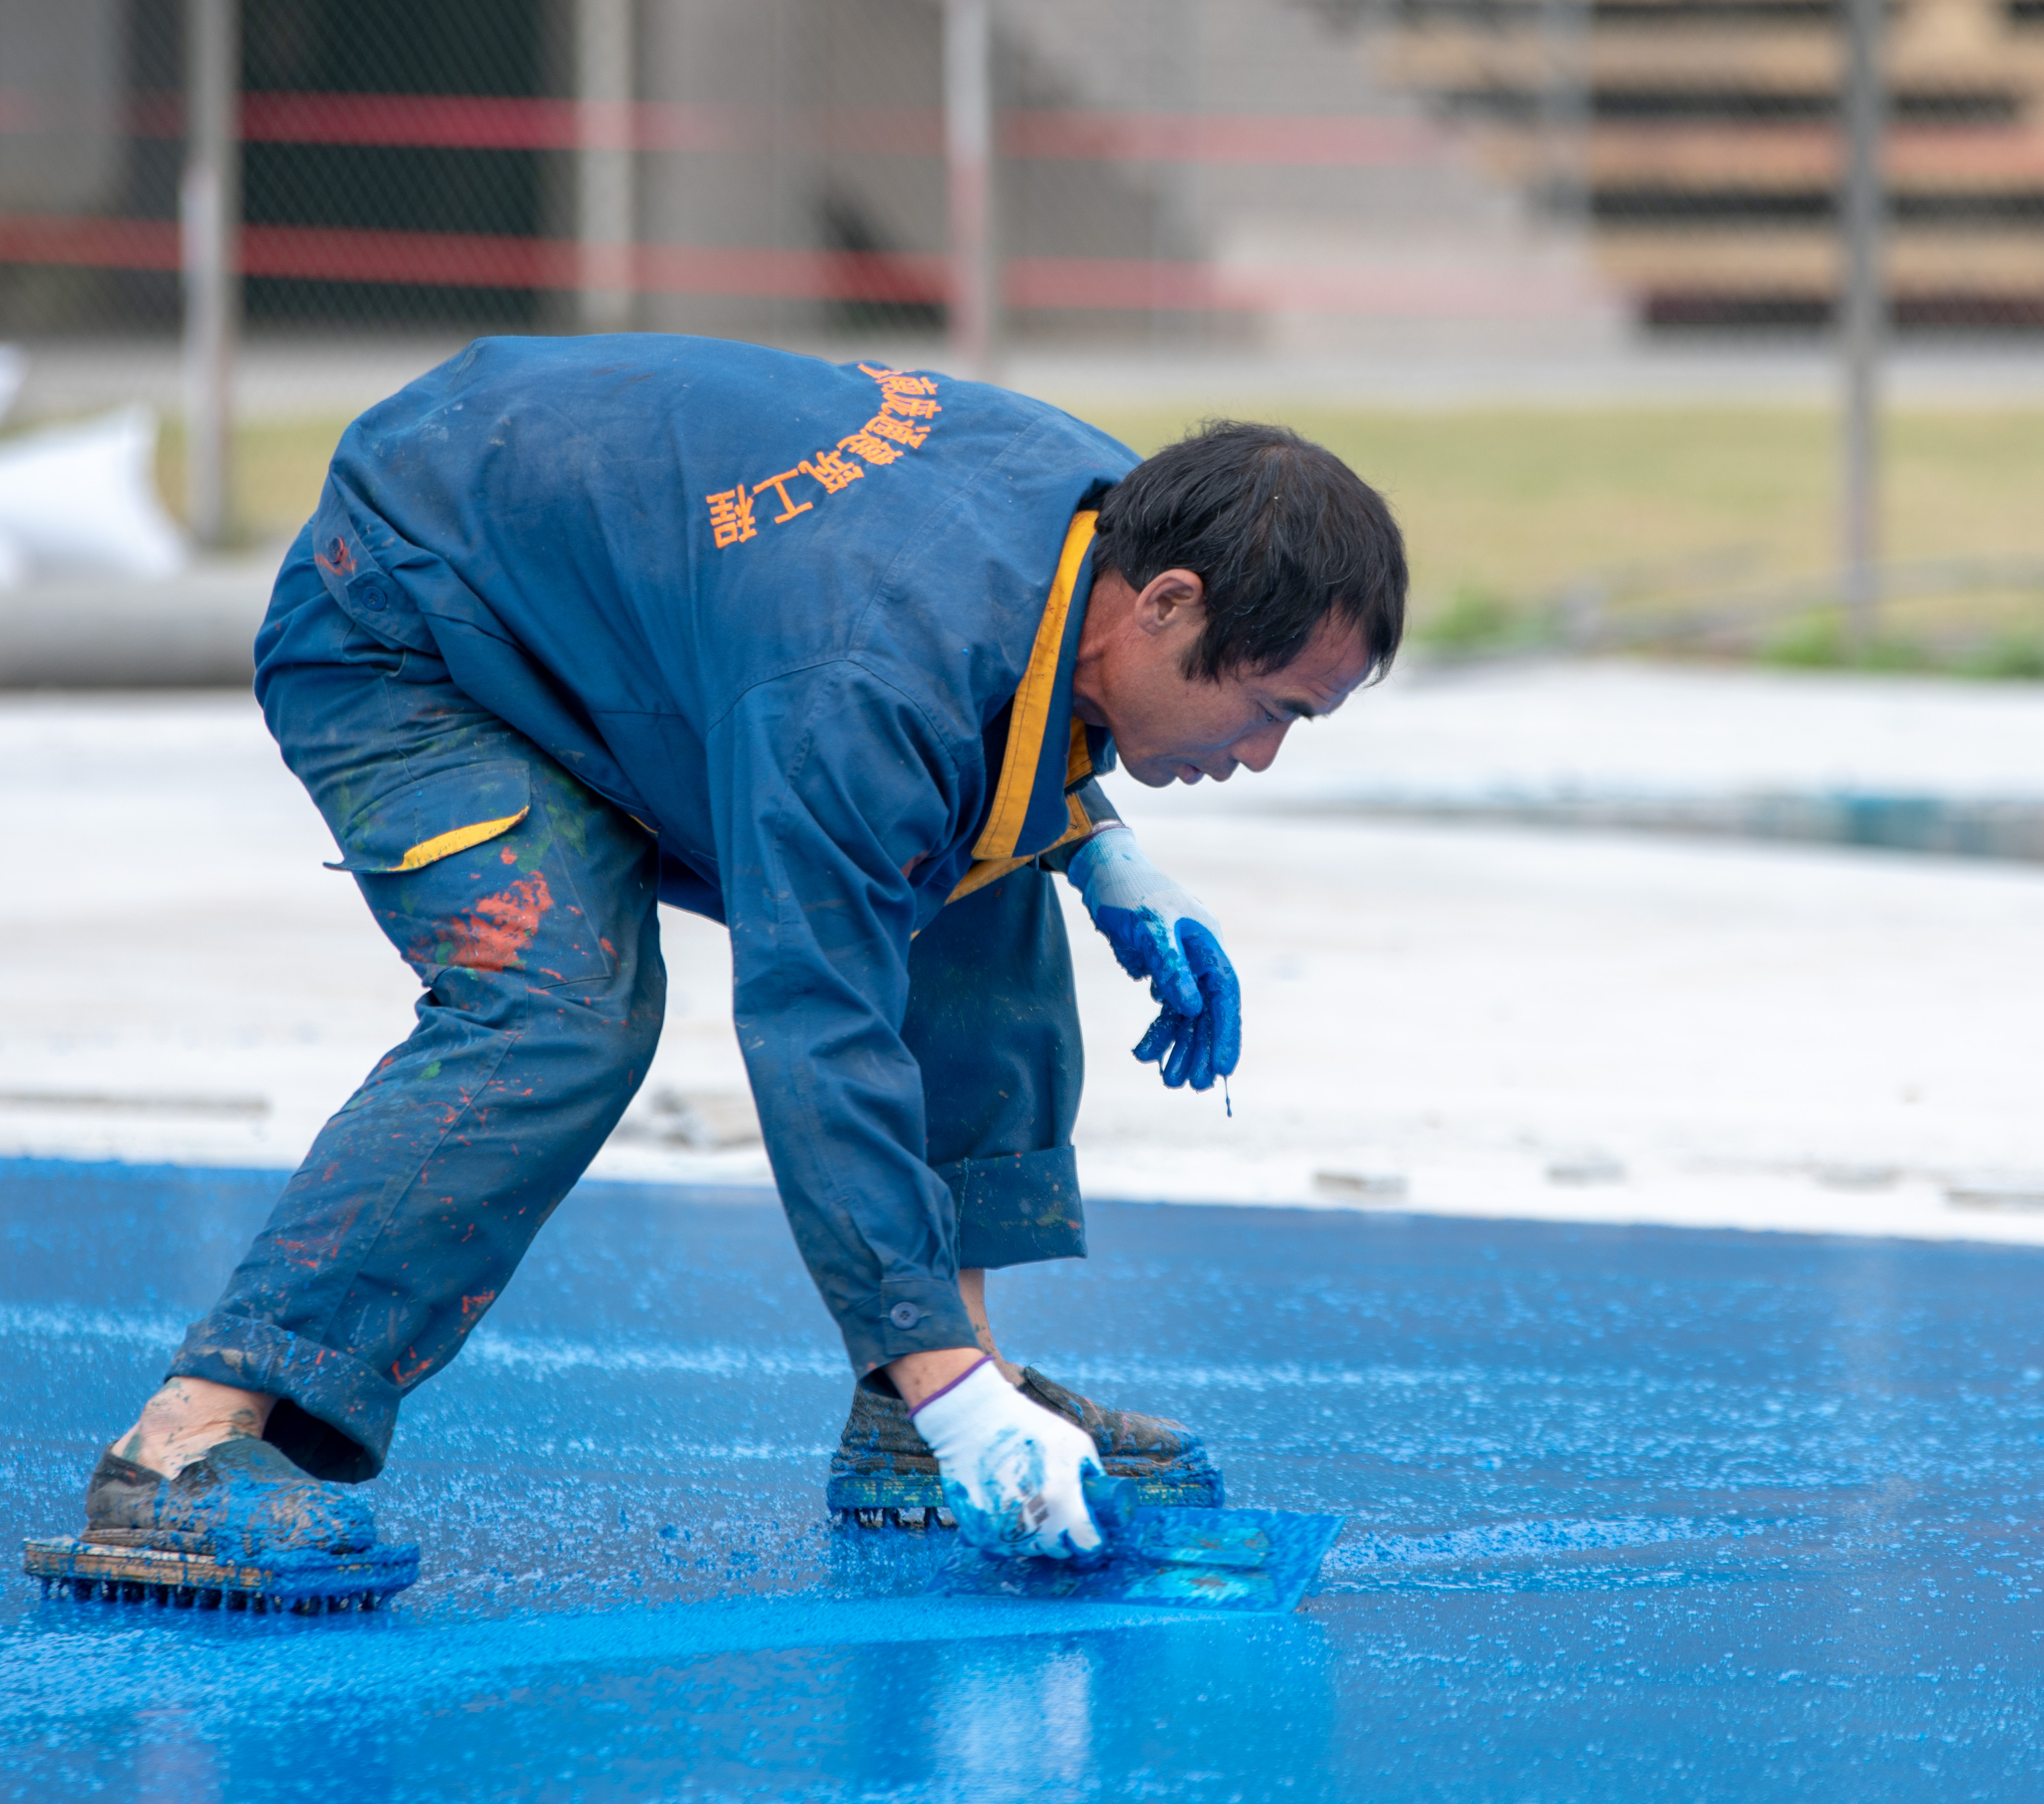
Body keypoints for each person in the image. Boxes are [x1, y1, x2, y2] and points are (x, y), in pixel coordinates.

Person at [70, 335, 1404, 1569]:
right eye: (1271, 708)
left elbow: (979, 704)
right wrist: (962, 1406)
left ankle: (919, 1397)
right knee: (559, 1005)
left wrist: (1093, 844)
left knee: (968, 869)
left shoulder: (1097, 516)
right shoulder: (867, 668)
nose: (1266, 754)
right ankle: (182, 1444)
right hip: (412, 620)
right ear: (1168, 603)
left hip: (629, 613)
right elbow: (817, 1024)